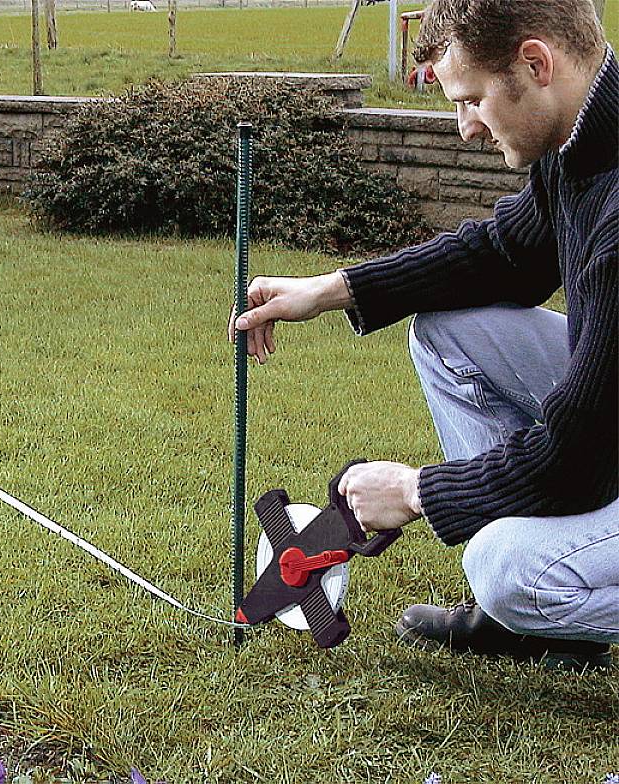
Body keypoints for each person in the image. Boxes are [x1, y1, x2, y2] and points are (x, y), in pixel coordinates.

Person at [229, 0, 617, 669]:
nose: (466, 129)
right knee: (452, 332)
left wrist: (415, 492)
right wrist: (330, 289)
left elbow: (578, 453)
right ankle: (538, 630)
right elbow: (504, 255)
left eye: (472, 100)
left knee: (507, 572)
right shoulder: (579, 142)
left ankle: (526, 605)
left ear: (536, 63)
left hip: (599, 441)